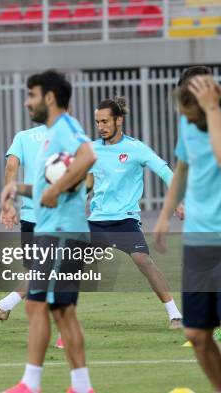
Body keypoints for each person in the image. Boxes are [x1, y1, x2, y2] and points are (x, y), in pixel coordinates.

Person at [0, 70, 96, 393]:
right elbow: (46, 186)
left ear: (49, 97)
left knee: (45, 306)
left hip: (62, 234)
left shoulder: (66, 128)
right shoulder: (54, 133)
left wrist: (57, 191)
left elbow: (88, 156)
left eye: (32, 95)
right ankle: (72, 385)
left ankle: (35, 384)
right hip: (53, 232)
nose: (27, 102)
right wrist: (17, 189)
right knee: (54, 308)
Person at [154, 68, 221, 393]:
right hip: (198, 242)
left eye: (195, 117)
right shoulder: (189, 120)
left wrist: (214, 112)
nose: (190, 123)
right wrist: (164, 216)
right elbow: (183, 168)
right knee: (196, 334)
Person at [86, 96, 183, 328]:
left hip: (125, 221)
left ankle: (175, 315)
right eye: (98, 122)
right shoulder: (90, 150)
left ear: (119, 120)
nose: (100, 127)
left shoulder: (135, 148)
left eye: (105, 121)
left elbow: (164, 171)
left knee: (143, 261)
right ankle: (7, 306)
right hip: (96, 221)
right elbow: (85, 184)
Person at [0, 124, 46, 321]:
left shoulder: (24, 136)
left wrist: (7, 205)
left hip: (30, 216)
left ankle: (4, 307)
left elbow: (11, 166)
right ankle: (4, 307)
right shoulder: (70, 136)